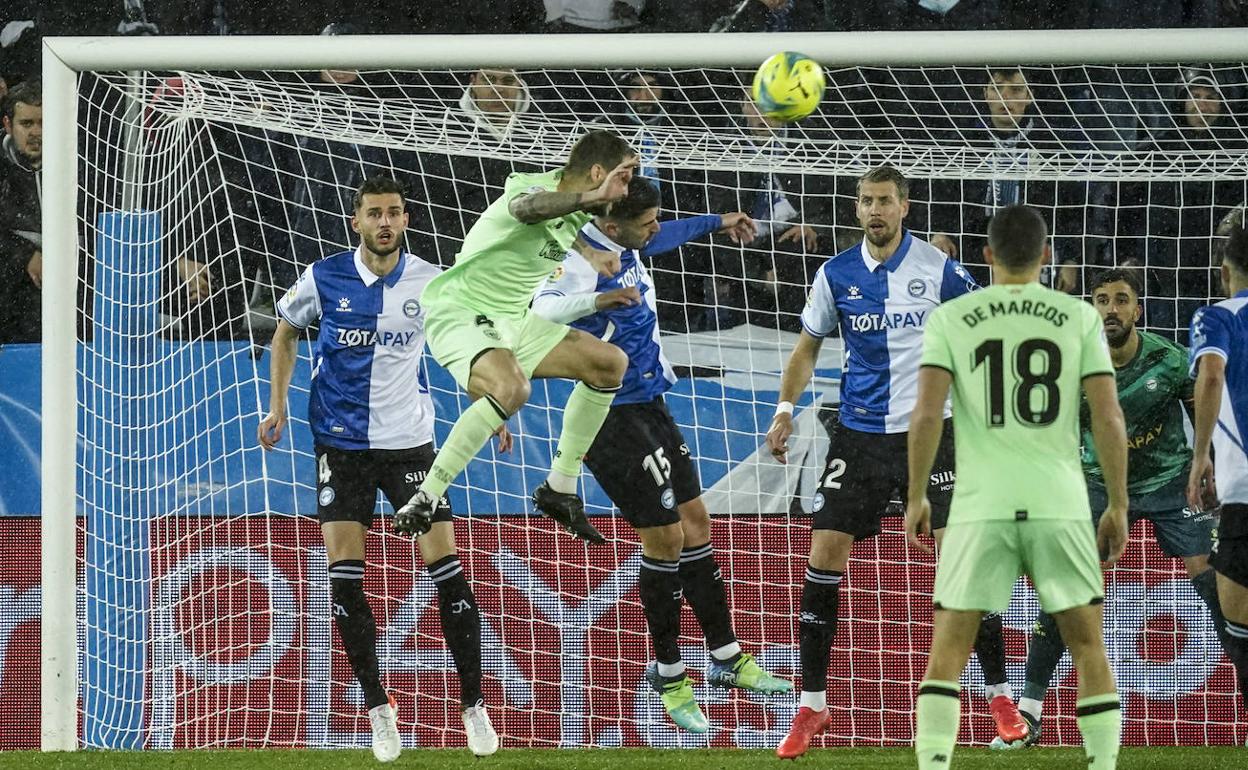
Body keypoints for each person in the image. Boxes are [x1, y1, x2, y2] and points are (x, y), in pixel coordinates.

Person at [764, 166, 1022, 759]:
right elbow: (807, 348)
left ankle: (1000, 696)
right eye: (866, 201)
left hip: (934, 434)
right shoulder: (835, 274)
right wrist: (783, 410)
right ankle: (812, 705)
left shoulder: (939, 270)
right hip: (859, 436)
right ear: (856, 208)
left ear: (905, 207)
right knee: (822, 556)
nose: (874, 210)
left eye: (884, 200)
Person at [531, 176, 791, 732]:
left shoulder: (625, 242)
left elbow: (663, 234)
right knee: (666, 537)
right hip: (607, 415)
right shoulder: (577, 259)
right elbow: (543, 309)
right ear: (613, 223)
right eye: (645, 223)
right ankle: (669, 673)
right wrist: (599, 299)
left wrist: (717, 222)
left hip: (650, 403)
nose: (654, 230)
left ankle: (726, 657)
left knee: (696, 522)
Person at [257, 176, 503, 760]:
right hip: (340, 445)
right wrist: (277, 404)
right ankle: (378, 710)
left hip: (411, 445)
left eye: (394, 212)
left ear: (406, 219)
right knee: (345, 579)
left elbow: (462, 346)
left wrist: (490, 404)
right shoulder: (323, 277)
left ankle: (473, 705)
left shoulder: (431, 281)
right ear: (357, 221)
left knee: (447, 570)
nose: (385, 222)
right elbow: (285, 332)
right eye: (374, 213)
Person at [905, 203, 1129, 770]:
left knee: (948, 650)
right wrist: (1118, 503)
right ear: (1046, 256)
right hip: (1059, 501)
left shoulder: (952, 318)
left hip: (981, 504)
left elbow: (927, 414)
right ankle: (1103, 763)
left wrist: (917, 494)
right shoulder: (1077, 317)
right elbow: (1108, 417)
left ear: (987, 256)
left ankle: (933, 763)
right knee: (1087, 645)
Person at [990, 267, 1226, 749]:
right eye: (1101, 300)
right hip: (1097, 483)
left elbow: (1206, 411)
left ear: (1138, 309)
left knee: (1216, 583)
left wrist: (1211, 464)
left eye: (1121, 300)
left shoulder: (1169, 359)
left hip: (1169, 482)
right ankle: (1029, 712)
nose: (1111, 309)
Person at [393, 130, 636, 544]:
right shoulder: (530, 188)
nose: (626, 190)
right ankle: (425, 497)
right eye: (624, 178)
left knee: (610, 363)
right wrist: (592, 199)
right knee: (513, 388)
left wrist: (590, 252)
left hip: (515, 320)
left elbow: (561, 224)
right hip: (461, 311)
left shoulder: (574, 210)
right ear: (598, 173)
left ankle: (560, 487)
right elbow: (529, 209)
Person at [1187, 224, 1248, 710]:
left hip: (1244, 493)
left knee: (1239, 624)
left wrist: (1200, 454)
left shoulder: (1218, 316)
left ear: (1225, 272)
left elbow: (1211, 374)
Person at [0, 77, 41, 343]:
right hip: (11, 301)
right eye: (27, 124)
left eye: (44, 123)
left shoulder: (82, 168)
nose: (36, 132)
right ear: (8, 125)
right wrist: (27, 255)